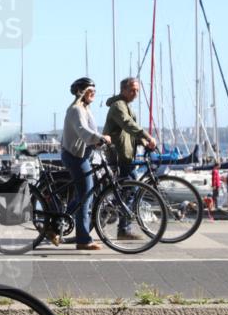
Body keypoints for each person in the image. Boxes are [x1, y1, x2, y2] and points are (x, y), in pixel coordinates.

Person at [61, 78, 111, 250]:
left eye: (94, 92)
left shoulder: (85, 109)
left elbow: (91, 132)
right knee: (86, 198)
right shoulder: (76, 110)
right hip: (75, 157)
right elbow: (83, 131)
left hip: (82, 156)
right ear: (81, 92)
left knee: (84, 194)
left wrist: (99, 140)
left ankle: (56, 225)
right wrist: (100, 138)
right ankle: (83, 240)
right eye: (90, 91)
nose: (93, 94)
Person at [104, 77, 157, 239]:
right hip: (119, 156)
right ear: (124, 90)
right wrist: (148, 137)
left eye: (137, 91)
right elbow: (128, 125)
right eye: (133, 90)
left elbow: (129, 133)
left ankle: (112, 213)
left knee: (128, 190)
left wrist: (142, 142)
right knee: (131, 189)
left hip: (125, 155)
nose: (136, 93)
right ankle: (121, 226)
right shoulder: (118, 106)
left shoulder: (126, 106)